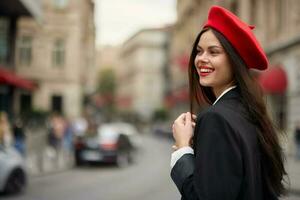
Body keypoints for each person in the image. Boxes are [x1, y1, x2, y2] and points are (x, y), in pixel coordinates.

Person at [171, 6, 287, 200]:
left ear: (234, 61)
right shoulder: (249, 112)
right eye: (199, 51)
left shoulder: (216, 118)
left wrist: (183, 150)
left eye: (213, 52)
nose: (201, 59)